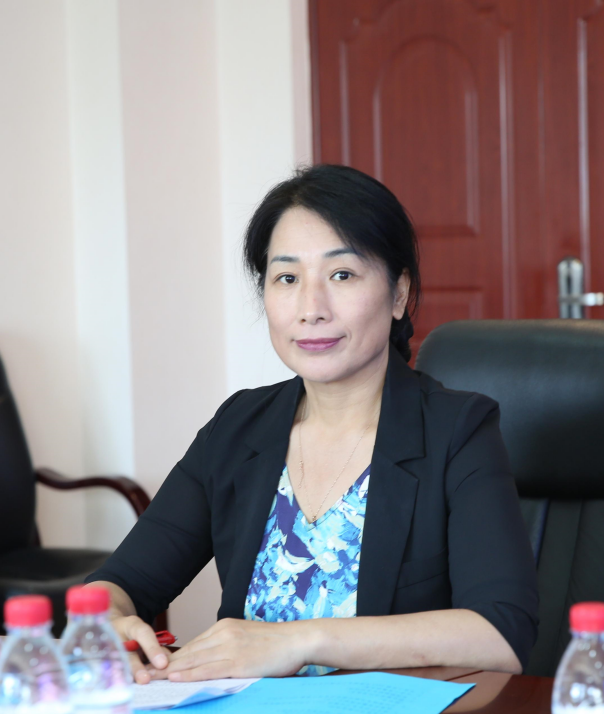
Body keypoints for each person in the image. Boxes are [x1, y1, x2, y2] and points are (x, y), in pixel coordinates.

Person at [85, 164, 538, 683]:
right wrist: (103, 623)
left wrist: (300, 641)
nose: (311, 309)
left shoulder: (457, 431)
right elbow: (121, 583)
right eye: (287, 278)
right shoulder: (238, 429)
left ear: (398, 293)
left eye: (341, 275)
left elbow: (501, 634)